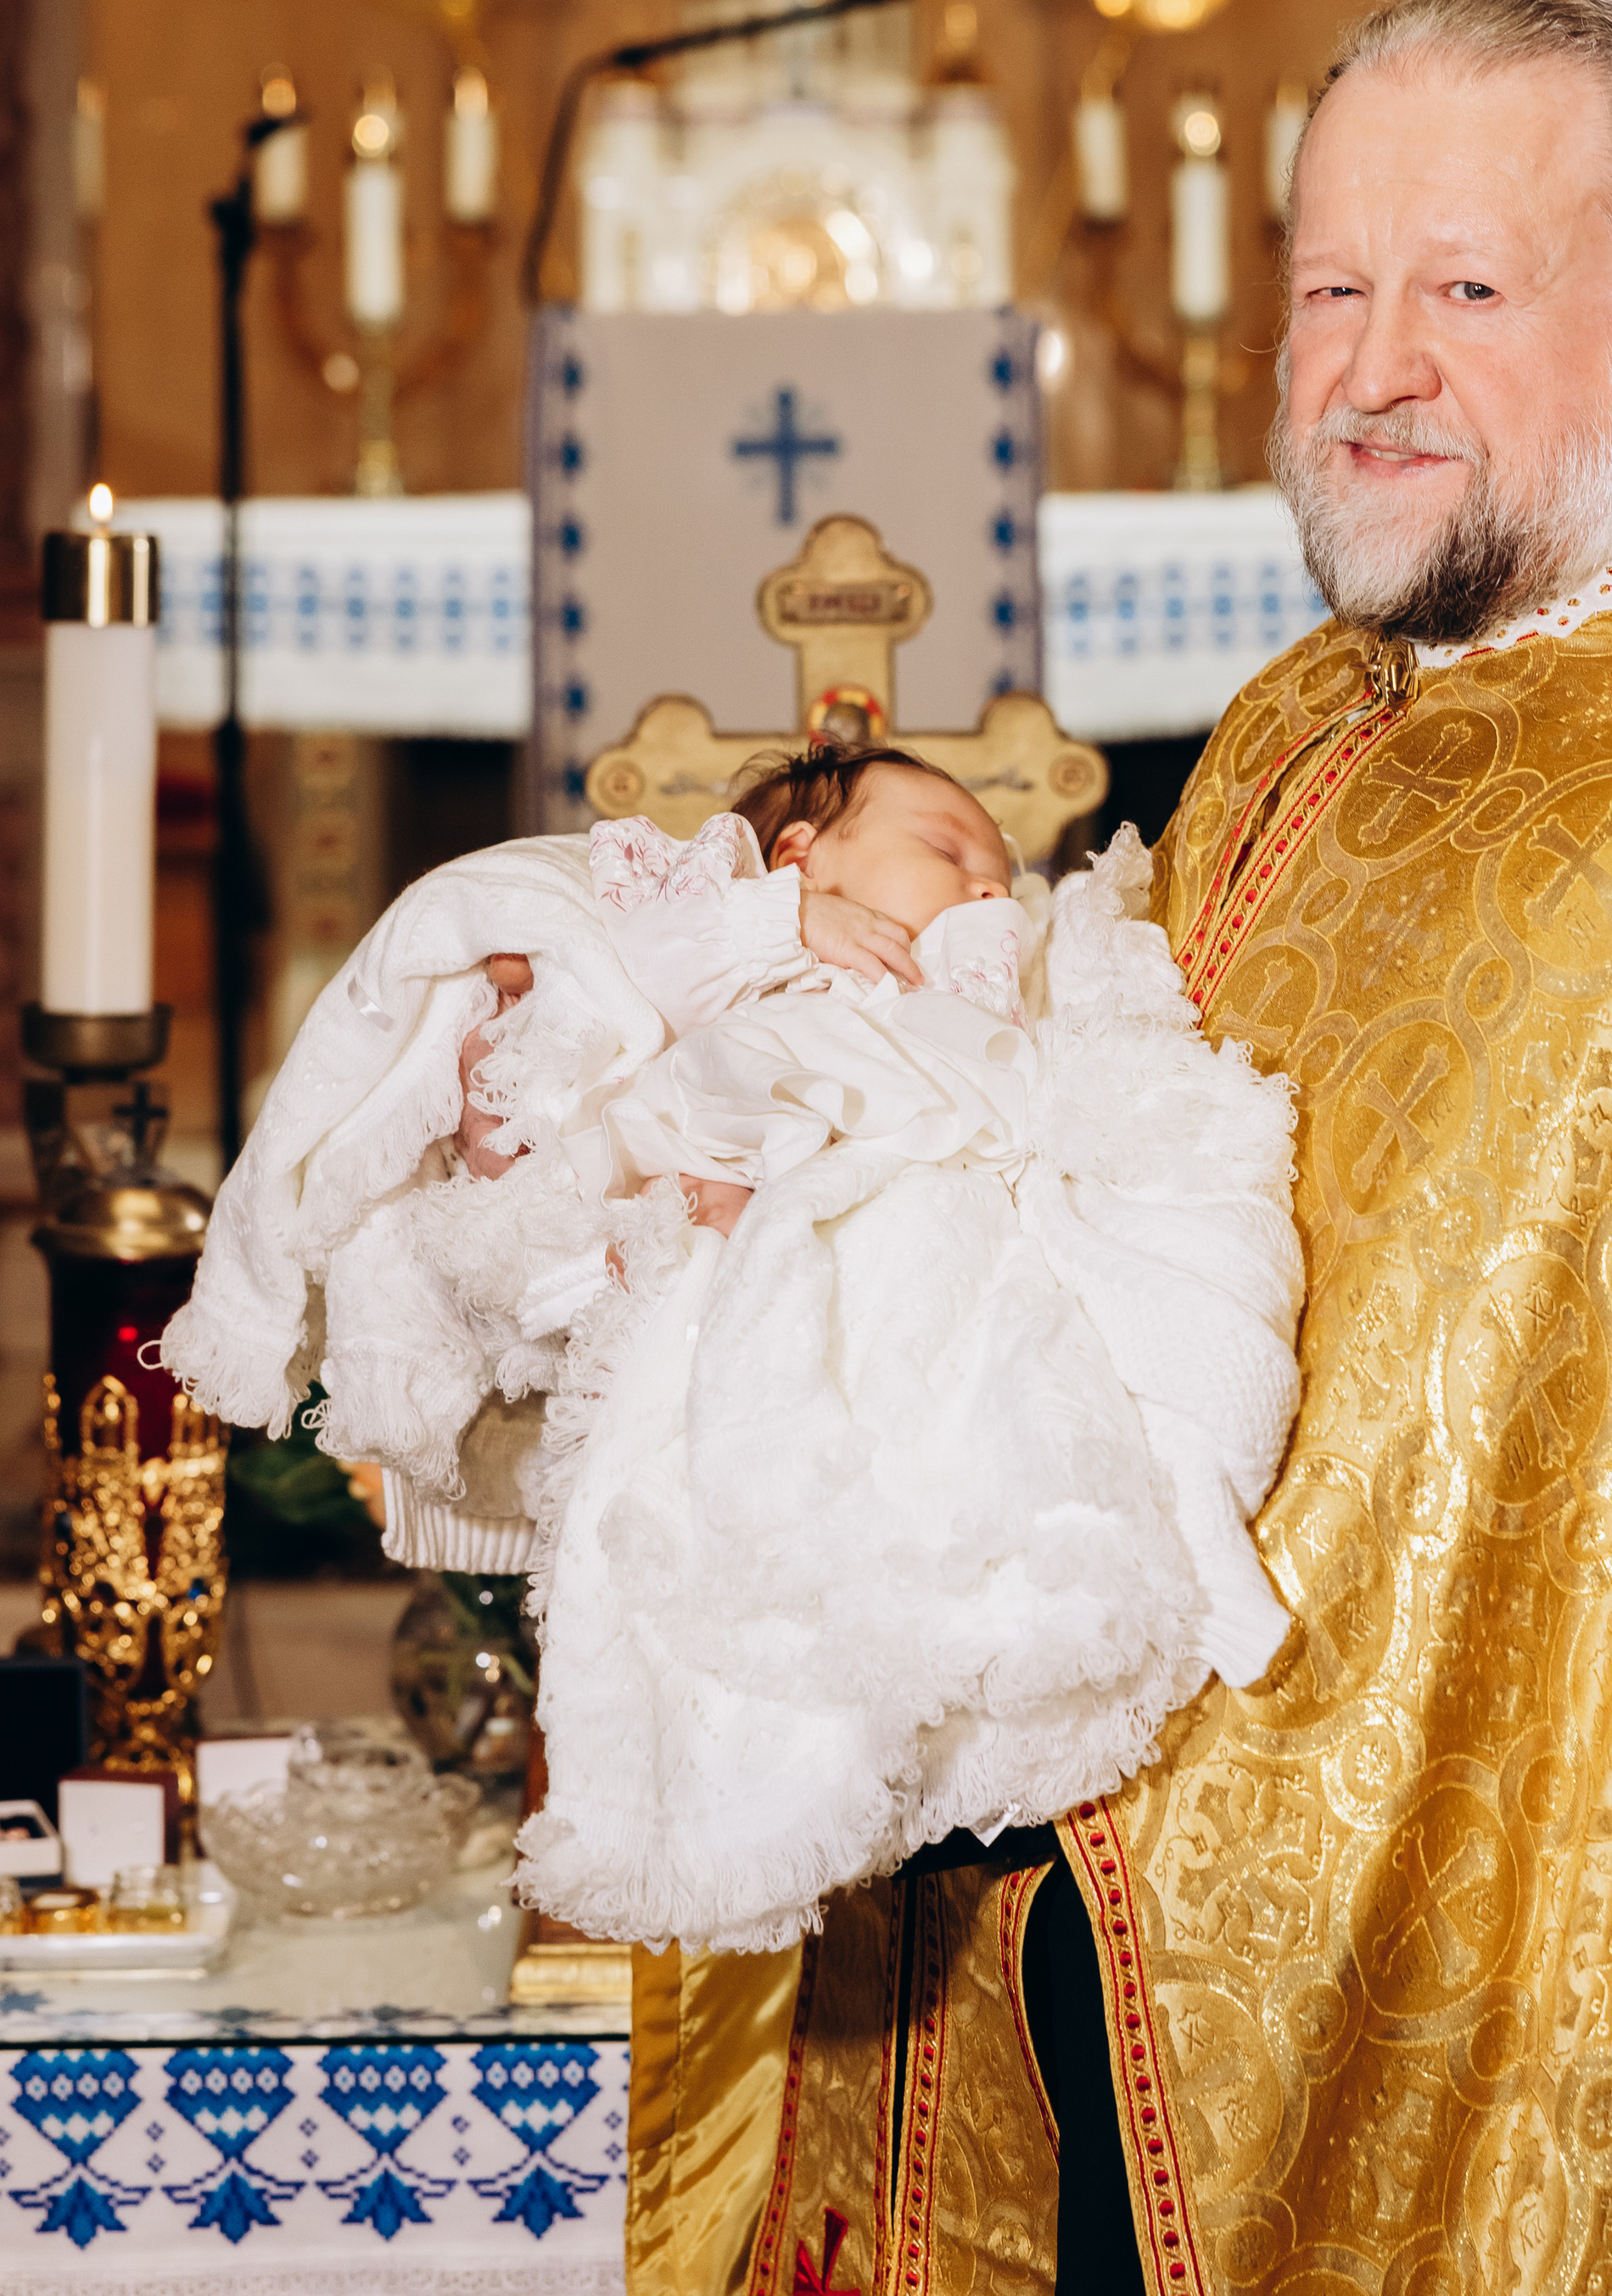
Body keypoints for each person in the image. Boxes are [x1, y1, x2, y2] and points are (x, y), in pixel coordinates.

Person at [638, 0, 1612, 2296]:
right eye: (1331, 291)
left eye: (1465, 292)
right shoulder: (1343, 690)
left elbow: (1459, 1576)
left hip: (1402, 2038)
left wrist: (949, 1671)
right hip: (1064, 1894)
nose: (1372, 371)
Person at [160, 742, 1301, 1957]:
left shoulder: (992, 962)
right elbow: (624, 977)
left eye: (998, 866)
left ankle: (1163, 1523)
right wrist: (781, 925)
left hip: (929, 1197)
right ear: (802, 853)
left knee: (1024, 1360)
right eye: (945, 847)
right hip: (765, 1161)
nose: (986, 882)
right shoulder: (745, 930)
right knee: (770, 1419)